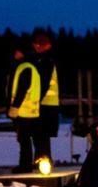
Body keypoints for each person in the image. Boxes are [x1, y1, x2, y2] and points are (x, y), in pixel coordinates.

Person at [7, 45, 41, 172]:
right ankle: (25, 164)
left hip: (23, 110)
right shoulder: (30, 67)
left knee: (24, 139)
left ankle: (25, 165)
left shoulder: (25, 67)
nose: (15, 54)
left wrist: (14, 107)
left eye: (18, 51)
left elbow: (22, 89)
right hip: (29, 110)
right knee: (25, 138)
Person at [31, 30, 59, 166]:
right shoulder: (46, 60)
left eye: (39, 44)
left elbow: (43, 83)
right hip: (48, 104)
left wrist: (35, 100)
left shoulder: (45, 61)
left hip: (44, 104)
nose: (36, 47)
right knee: (41, 134)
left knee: (40, 134)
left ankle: (43, 160)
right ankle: (42, 159)